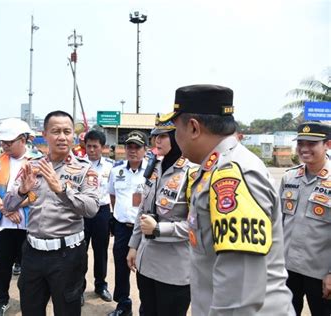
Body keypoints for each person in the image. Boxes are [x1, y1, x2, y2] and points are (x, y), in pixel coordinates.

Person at [171, 84, 294, 315]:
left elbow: (240, 298)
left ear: (194, 128)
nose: (174, 136)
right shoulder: (216, 168)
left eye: (175, 128)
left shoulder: (232, 177)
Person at [3, 110, 99, 316]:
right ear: (44, 134)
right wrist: (22, 191)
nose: (62, 137)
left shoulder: (84, 169)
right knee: (31, 308)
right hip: (33, 253)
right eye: (55, 131)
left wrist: (62, 191)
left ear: (74, 135)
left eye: (67, 131)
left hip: (67, 256)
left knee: (67, 310)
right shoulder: (32, 167)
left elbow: (91, 209)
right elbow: (8, 205)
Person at [127, 113, 192, 316]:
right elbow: (143, 210)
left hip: (174, 269)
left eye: (163, 136)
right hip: (147, 264)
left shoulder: (193, 172)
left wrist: (159, 228)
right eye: (155, 136)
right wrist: (133, 245)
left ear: (177, 137)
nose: (157, 140)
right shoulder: (154, 167)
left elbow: (199, 225)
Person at [0, 118, 33, 316]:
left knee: (29, 267)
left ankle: (29, 300)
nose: (4, 145)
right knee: (3, 265)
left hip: (28, 225)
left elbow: (37, 193)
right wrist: (6, 210)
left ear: (23, 139)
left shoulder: (36, 161)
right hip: (2, 225)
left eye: (8, 142)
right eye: (2, 142)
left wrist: (15, 206)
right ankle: (2, 300)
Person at [279, 121, 331, 315]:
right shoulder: (289, 178)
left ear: (328, 145)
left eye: (311, 144)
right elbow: (278, 222)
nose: (304, 149)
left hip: (320, 272)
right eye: (301, 143)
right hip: (287, 269)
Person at [108, 130, 148, 316]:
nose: (132, 151)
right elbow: (113, 196)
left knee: (144, 270)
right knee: (121, 268)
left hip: (144, 230)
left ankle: (146, 307)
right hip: (123, 228)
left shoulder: (153, 172)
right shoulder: (117, 171)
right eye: (129, 147)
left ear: (144, 150)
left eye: (137, 147)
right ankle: (123, 305)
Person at [81, 129, 114, 303]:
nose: (92, 150)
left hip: (102, 212)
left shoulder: (111, 167)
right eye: (89, 146)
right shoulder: (78, 165)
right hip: (83, 213)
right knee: (80, 252)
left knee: (101, 251)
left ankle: (101, 285)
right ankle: (79, 288)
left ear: (103, 147)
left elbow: (115, 192)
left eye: (95, 146)